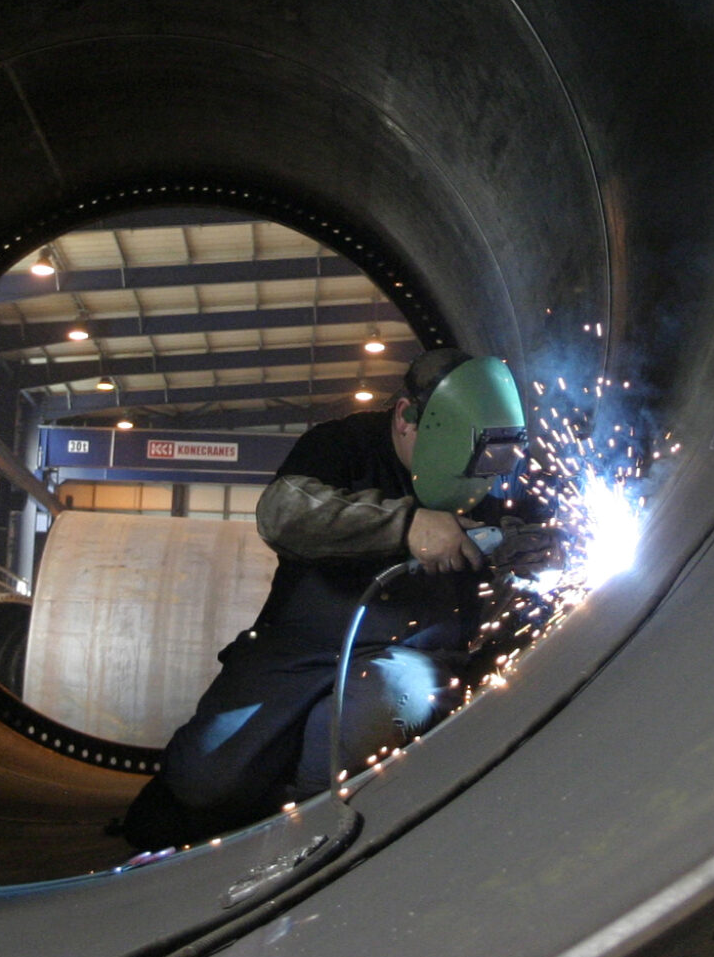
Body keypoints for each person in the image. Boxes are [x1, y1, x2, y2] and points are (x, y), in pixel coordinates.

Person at [118, 348, 532, 849]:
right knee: (203, 781)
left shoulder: (496, 484)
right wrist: (405, 525)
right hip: (295, 649)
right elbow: (283, 513)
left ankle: (304, 831)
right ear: (406, 418)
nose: (479, 479)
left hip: (407, 660)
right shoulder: (343, 445)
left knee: (382, 702)